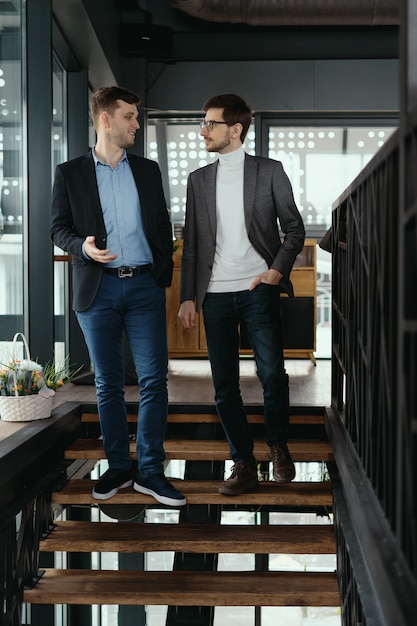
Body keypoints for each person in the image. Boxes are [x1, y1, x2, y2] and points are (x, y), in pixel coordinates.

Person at [51, 85, 186, 507]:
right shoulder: (69, 173)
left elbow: (161, 222)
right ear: (105, 120)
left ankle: (149, 470)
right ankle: (118, 467)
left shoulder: (148, 170)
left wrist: (162, 269)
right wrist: (83, 248)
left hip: (145, 285)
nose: (136, 123)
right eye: (129, 115)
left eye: (137, 115)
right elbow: (58, 229)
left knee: (153, 381)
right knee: (108, 384)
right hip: (99, 287)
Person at [178, 93, 305, 496]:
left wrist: (274, 272)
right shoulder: (198, 180)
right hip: (213, 295)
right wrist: (187, 297)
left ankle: (278, 449)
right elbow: (194, 244)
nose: (203, 131)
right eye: (203, 123)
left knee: (271, 373)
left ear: (235, 129)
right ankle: (243, 462)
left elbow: (295, 229)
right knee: (224, 385)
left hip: (257, 288)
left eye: (210, 124)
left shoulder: (269, 172)